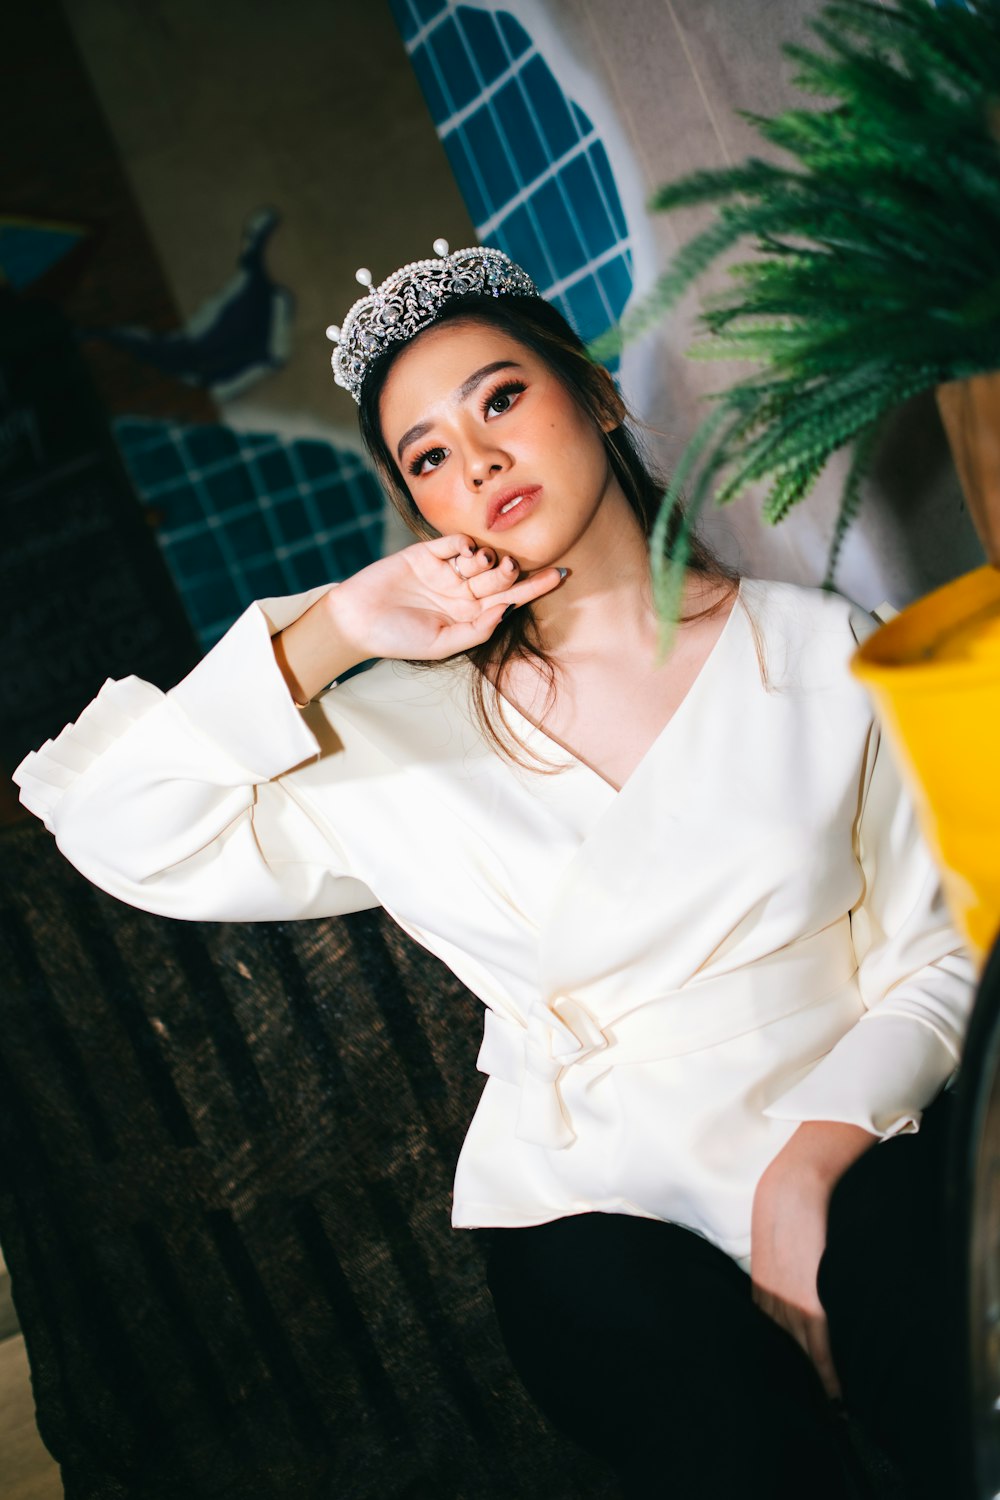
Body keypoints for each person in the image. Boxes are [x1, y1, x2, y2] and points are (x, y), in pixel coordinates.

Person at [14, 242, 976, 1500]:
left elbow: (939, 951)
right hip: (586, 1194)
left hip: (846, 1126)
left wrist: (812, 1165)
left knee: (932, 1371)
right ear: (420, 510)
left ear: (596, 392)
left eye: (499, 399)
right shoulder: (399, 730)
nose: (472, 460)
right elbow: (120, 827)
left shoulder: (816, 650)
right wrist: (338, 629)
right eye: (425, 456)